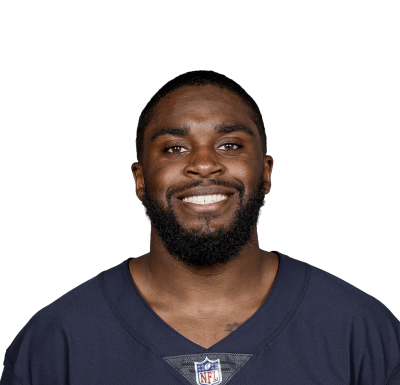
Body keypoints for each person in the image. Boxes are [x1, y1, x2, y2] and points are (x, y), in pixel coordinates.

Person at [1, 70, 399, 385]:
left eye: (230, 145)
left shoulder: (362, 331)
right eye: (175, 148)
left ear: (266, 172)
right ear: (140, 179)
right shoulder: (56, 341)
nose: (204, 164)